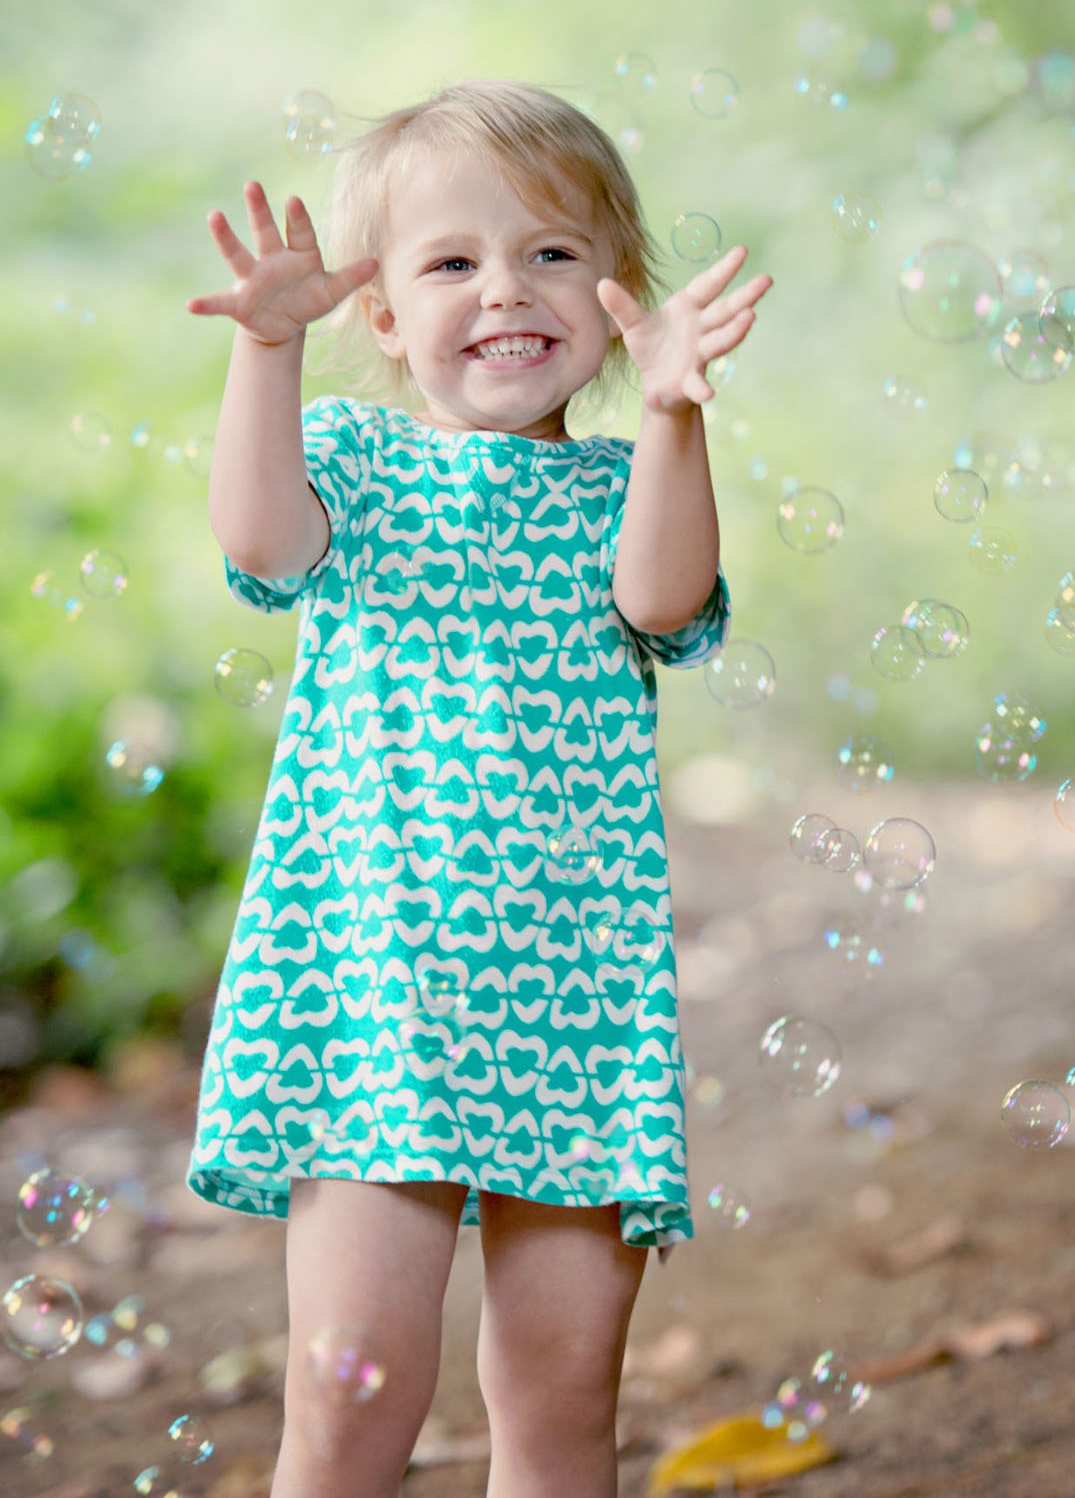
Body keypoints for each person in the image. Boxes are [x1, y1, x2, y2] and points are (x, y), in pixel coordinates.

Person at [182, 78, 773, 1498]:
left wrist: (681, 414)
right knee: (348, 1398)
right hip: (373, 997)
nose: (507, 290)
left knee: (565, 1400)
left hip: (572, 1004)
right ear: (380, 313)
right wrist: (267, 352)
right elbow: (262, 545)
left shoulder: (630, 485)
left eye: (553, 253)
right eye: (451, 262)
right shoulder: (356, 467)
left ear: (618, 289)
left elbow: (664, 598)